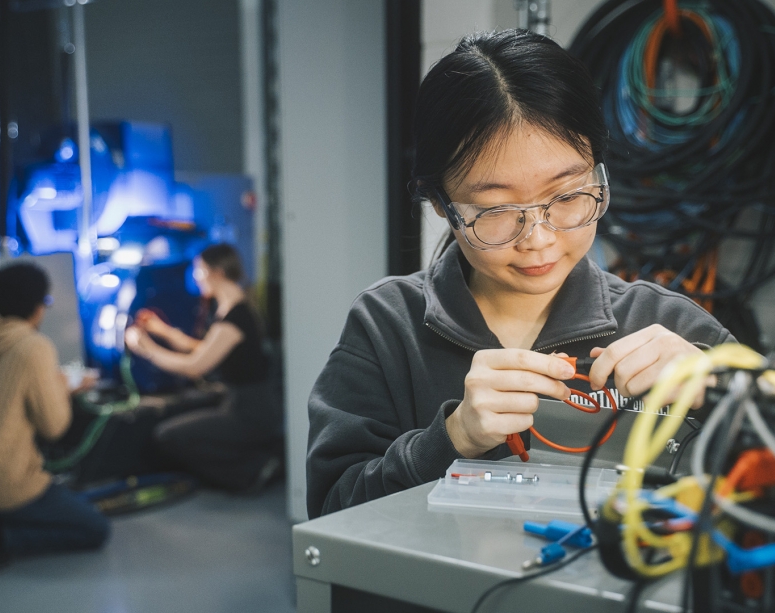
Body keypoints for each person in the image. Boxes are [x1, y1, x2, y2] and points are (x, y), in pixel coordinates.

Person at [306, 30, 734, 519]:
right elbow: (332, 513)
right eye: (496, 210)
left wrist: (720, 390)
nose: (538, 238)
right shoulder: (388, 327)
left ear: (600, 175)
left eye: (569, 196)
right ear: (441, 205)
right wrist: (453, 438)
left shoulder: (667, 326)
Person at [0, 262, 108, 571]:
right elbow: (54, 426)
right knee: (95, 529)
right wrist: (63, 386)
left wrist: (48, 381)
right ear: (36, 306)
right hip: (2, 480)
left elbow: (2, 389)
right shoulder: (34, 347)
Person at [124, 243, 282, 492]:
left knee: (169, 436)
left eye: (199, 270)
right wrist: (162, 331)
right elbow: (204, 348)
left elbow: (195, 366)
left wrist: (145, 348)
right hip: (241, 404)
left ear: (216, 273)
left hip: (251, 412)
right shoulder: (232, 309)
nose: (195, 277)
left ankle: (254, 470)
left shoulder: (236, 316)